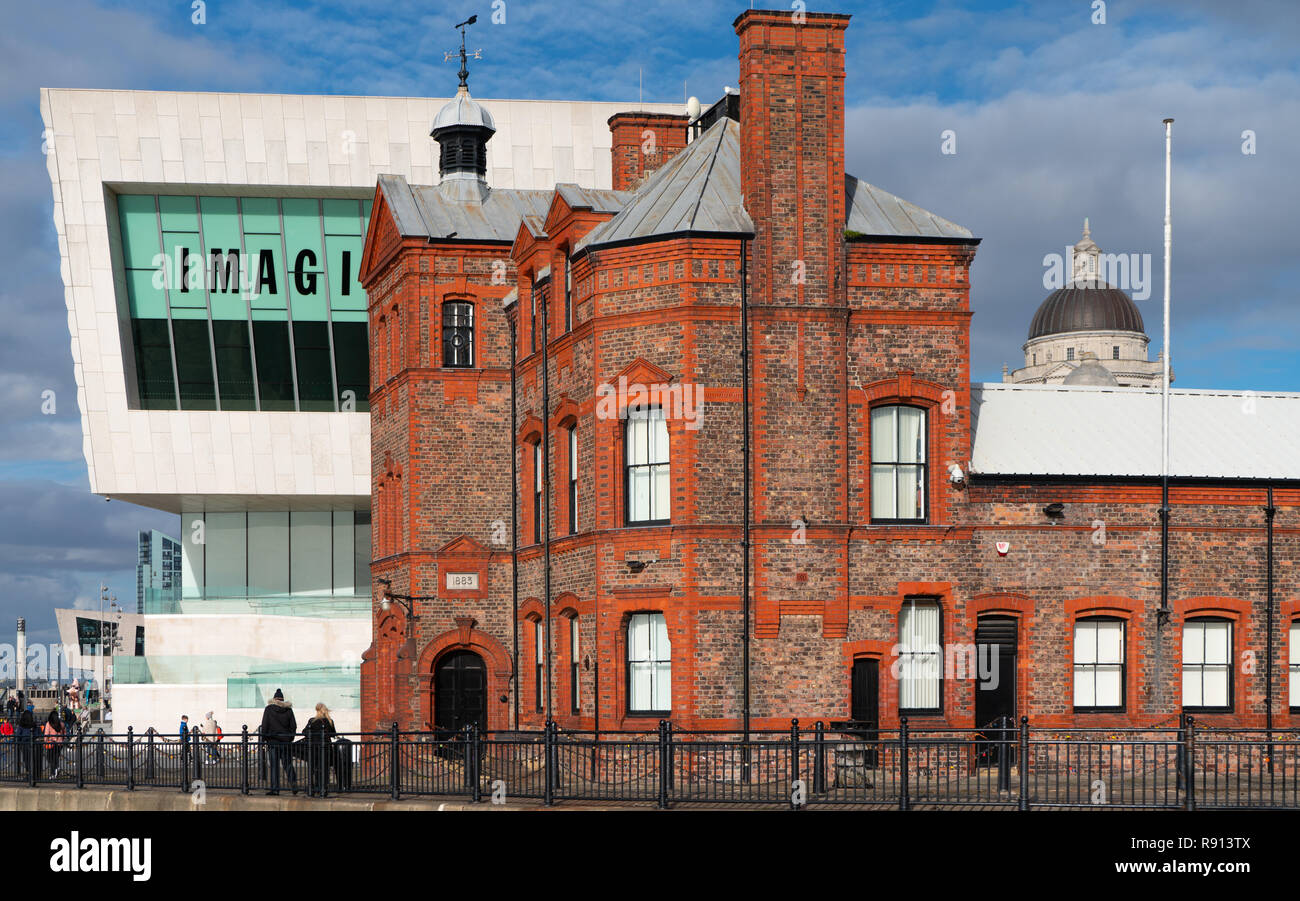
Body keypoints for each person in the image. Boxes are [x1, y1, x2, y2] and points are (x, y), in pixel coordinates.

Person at [260, 688, 297, 796]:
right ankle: (293, 785)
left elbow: (265, 725)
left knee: (274, 766)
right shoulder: (289, 710)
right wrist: (290, 738)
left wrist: (264, 739)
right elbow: (293, 726)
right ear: (282, 699)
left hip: (273, 742)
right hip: (286, 742)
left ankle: (275, 789)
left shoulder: (269, 709)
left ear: (274, 699)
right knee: (288, 764)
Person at [302, 703, 337, 798]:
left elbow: (304, 732)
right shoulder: (330, 721)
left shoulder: (312, 721)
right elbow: (333, 734)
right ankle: (323, 789)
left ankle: (313, 789)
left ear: (317, 710)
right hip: (326, 748)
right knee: (324, 768)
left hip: (314, 748)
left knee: (314, 769)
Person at [43, 709, 65, 778]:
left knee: (50, 758)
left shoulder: (49, 724)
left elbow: (46, 734)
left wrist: (45, 742)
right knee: (55, 758)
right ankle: (56, 769)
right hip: (59, 744)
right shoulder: (61, 724)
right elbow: (64, 733)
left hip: (51, 743)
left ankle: (53, 772)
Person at [16, 703, 36, 776]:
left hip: (24, 743)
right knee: (33, 759)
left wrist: (18, 742)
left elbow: (18, 735)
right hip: (33, 743)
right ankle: (33, 773)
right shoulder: (33, 725)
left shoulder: (21, 725)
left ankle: (28, 772)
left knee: (26, 759)